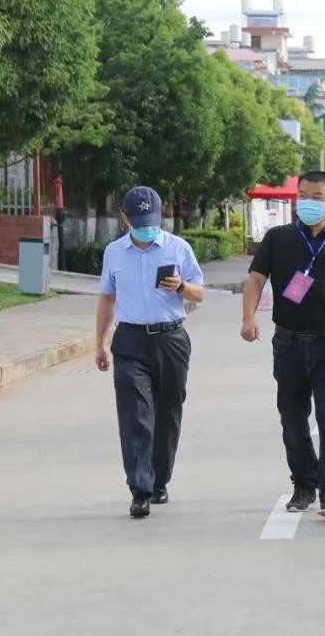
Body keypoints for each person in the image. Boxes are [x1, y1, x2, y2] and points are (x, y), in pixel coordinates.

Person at [240, 170, 325, 517]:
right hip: (289, 345)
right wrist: (248, 317)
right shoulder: (278, 239)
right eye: (304, 195)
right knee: (293, 419)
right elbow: (255, 279)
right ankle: (303, 484)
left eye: (316, 197)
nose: (308, 202)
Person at [95, 185, 205, 519]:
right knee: (135, 416)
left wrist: (182, 287)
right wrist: (100, 342)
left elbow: (200, 292)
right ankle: (140, 488)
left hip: (170, 340)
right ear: (125, 218)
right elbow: (106, 298)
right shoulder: (114, 252)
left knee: (167, 413)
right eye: (139, 220)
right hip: (129, 341)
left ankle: (159, 480)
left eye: (152, 220)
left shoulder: (177, 247)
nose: (146, 227)